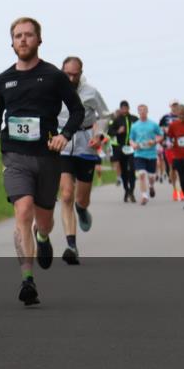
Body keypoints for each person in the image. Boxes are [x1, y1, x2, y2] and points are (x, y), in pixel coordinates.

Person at [0, 17, 84, 306]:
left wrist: (64, 135)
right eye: (18, 35)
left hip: (47, 156)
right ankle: (27, 279)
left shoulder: (53, 76)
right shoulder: (3, 79)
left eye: (28, 35)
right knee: (23, 210)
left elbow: (76, 110)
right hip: (14, 155)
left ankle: (43, 237)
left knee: (45, 221)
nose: (23, 40)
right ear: (12, 42)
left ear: (39, 40)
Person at [55, 56, 109, 265]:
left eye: (75, 75)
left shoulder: (91, 92)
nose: (71, 78)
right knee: (66, 194)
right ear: (62, 71)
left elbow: (104, 115)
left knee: (81, 198)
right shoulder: (54, 89)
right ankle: (71, 245)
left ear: (81, 73)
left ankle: (82, 209)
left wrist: (99, 134)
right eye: (67, 74)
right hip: (63, 144)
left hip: (86, 144)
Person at [129, 104, 163, 205]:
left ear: (147, 111)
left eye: (144, 110)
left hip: (151, 154)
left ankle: (151, 186)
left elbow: (161, 136)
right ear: (138, 112)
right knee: (142, 174)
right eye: (140, 110)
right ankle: (144, 196)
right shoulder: (134, 126)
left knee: (151, 176)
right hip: (139, 154)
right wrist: (133, 144)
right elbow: (131, 139)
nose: (142, 112)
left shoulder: (153, 124)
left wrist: (154, 141)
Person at [108, 101, 138, 202]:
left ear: (128, 108)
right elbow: (110, 132)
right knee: (124, 171)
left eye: (126, 107)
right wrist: (118, 131)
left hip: (132, 148)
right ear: (120, 109)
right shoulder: (117, 120)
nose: (124, 109)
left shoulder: (134, 119)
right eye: (123, 108)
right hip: (121, 148)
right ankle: (126, 190)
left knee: (132, 169)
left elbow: (140, 130)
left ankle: (132, 191)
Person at [159, 100, 182, 200]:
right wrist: (163, 132)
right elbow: (159, 130)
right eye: (173, 105)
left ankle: (181, 190)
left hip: (180, 146)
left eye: (176, 105)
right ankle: (175, 190)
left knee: (180, 169)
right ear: (170, 106)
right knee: (172, 168)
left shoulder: (182, 117)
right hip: (168, 145)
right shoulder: (165, 117)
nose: (175, 107)